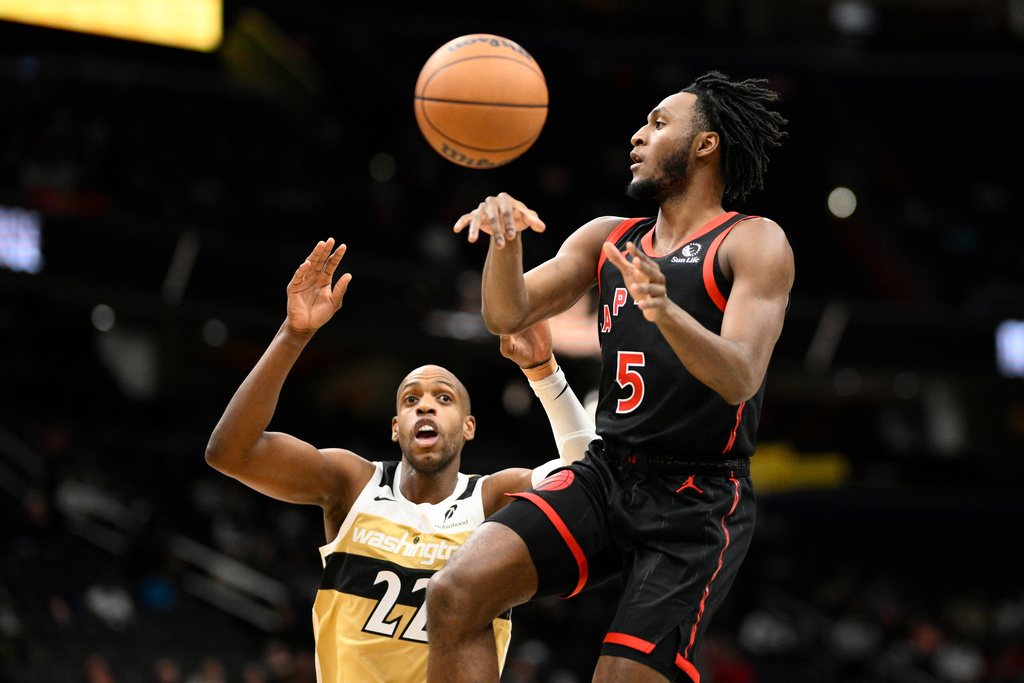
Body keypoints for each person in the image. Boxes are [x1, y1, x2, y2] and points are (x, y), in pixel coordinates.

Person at [425, 71, 795, 683]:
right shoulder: (609, 237)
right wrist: (505, 241)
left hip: (697, 500)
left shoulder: (753, 241)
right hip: (608, 469)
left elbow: (739, 378)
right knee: (455, 593)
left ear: (705, 144)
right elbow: (506, 311)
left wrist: (665, 310)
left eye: (657, 123)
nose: (636, 136)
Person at [205, 238, 597, 683]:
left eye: (443, 398)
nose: (425, 406)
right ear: (396, 427)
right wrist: (293, 335)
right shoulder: (351, 483)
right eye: (412, 399)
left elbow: (594, 482)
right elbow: (229, 452)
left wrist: (544, 372)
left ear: (468, 426)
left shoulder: (493, 498)